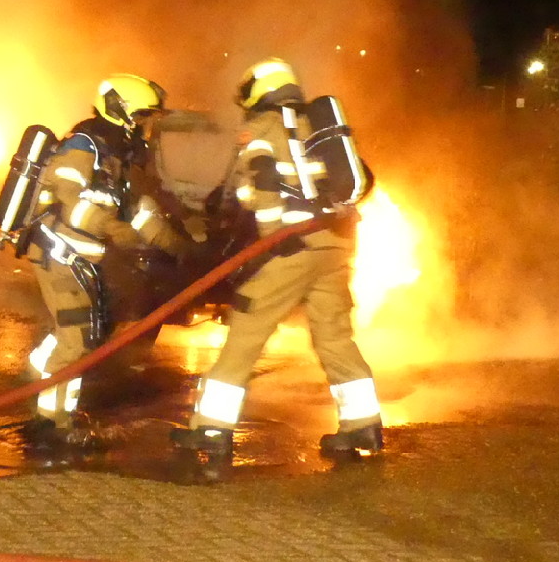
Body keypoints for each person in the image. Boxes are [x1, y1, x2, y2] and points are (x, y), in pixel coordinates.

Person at [172, 57, 383, 458]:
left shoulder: (264, 128)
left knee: (246, 331)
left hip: (293, 245)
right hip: (335, 246)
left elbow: (265, 185)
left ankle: (211, 431)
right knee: (335, 336)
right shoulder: (316, 126)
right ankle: (363, 428)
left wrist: (271, 238)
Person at [23, 74, 191, 452]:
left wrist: (177, 246)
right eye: (145, 117)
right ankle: (52, 424)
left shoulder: (118, 157)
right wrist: (112, 228)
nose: (149, 127)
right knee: (77, 339)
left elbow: (140, 213)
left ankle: (41, 382)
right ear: (123, 112)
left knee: (83, 335)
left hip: (79, 257)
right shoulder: (84, 146)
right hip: (57, 252)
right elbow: (68, 200)